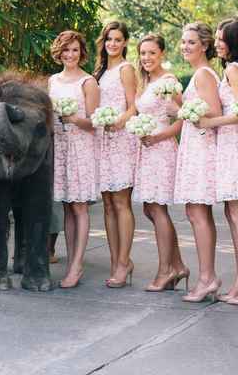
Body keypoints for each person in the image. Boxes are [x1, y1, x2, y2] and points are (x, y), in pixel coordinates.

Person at [197, 19, 238, 305]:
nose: (218, 43)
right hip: (228, 146)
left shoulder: (235, 70)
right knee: (233, 216)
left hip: (236, 147)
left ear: (234, 42)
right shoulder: (232, 69)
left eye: (223, 39)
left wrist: (211, 121)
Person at [132, 35, 189, 292]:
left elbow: (183, 118)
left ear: (162, 54)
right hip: (147, 150)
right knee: (149, 209)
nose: (146, 58)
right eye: (143, 53)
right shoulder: (145, 81)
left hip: (162, 148)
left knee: (157, 209)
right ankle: (178, 266)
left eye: (152, 53)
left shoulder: (168, 81)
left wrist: (157, 136)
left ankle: (166, 270)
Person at [172, 22, 222, 302]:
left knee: (197, 213)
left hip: (202, 149)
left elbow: (212, 114)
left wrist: (179, 110)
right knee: (196, 213)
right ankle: (208, 276)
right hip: (194, 146)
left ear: (204, 45)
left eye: (191, 42)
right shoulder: (199, 74)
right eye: (183, 42)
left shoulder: (204, 74)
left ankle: (207, 278)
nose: (185, 47)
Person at [48, 30, 99, 288]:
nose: (70, 55)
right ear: (59, 52)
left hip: (81, 147)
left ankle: (78, 264)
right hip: (60, 147)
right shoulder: (53, 81)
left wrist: (74, 119)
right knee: (67, 206)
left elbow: (94, 122)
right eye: (66, 50)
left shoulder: (88, 82)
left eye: (75, 50)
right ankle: (70, 262)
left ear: (81, 53)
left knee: (79, 206)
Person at [94, 21, 138, 288]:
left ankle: (124, 262)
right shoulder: (99, 72)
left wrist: (119, 122)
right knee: (108, 204)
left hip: (121, 138)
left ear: (125, 43)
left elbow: (135, 105)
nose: (113, 44)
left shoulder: (126, 69)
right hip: (103, 139)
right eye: (109, 39)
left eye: (118, 39)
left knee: (122, 203)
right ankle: (115, 261)